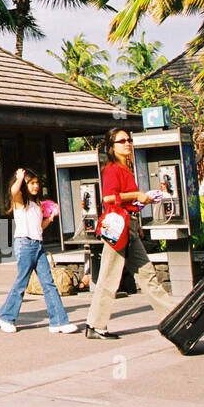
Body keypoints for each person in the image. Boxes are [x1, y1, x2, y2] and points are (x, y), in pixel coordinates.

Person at [83, 128, 174, 339]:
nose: (127, 144)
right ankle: (96, 324)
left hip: (130, 225)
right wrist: (136, 195)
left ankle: (172, 315)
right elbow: (107, 198)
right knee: (109, 277)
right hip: (118, 228)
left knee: (147, 275)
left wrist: (138, 212)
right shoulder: (113, 170)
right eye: (122, 141)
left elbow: (127, 201)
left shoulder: (125, 168)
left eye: (129, 140)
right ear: (111, 147)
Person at [0, 169, 78, 334]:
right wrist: (19, 178)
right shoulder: (20, 202)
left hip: (38, 245)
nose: (36, 186)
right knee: (21, 283)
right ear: (25, 185)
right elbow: (14, 190)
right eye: (32, 183)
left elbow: (39, 228)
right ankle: (5, 317)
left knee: (49, 284)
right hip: (25, 244)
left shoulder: (36, 205)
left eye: (37, 183)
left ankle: (58, 322)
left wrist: (50, 218)